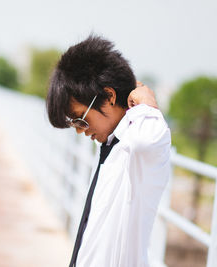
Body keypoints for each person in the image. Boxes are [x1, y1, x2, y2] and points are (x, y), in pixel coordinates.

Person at [46, 35, 171, 267]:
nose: (79, 131)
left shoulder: (137, 150)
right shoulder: (109, 143)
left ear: (110, 96)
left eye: (80, 120)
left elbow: (149, 140)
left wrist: (147, 104)